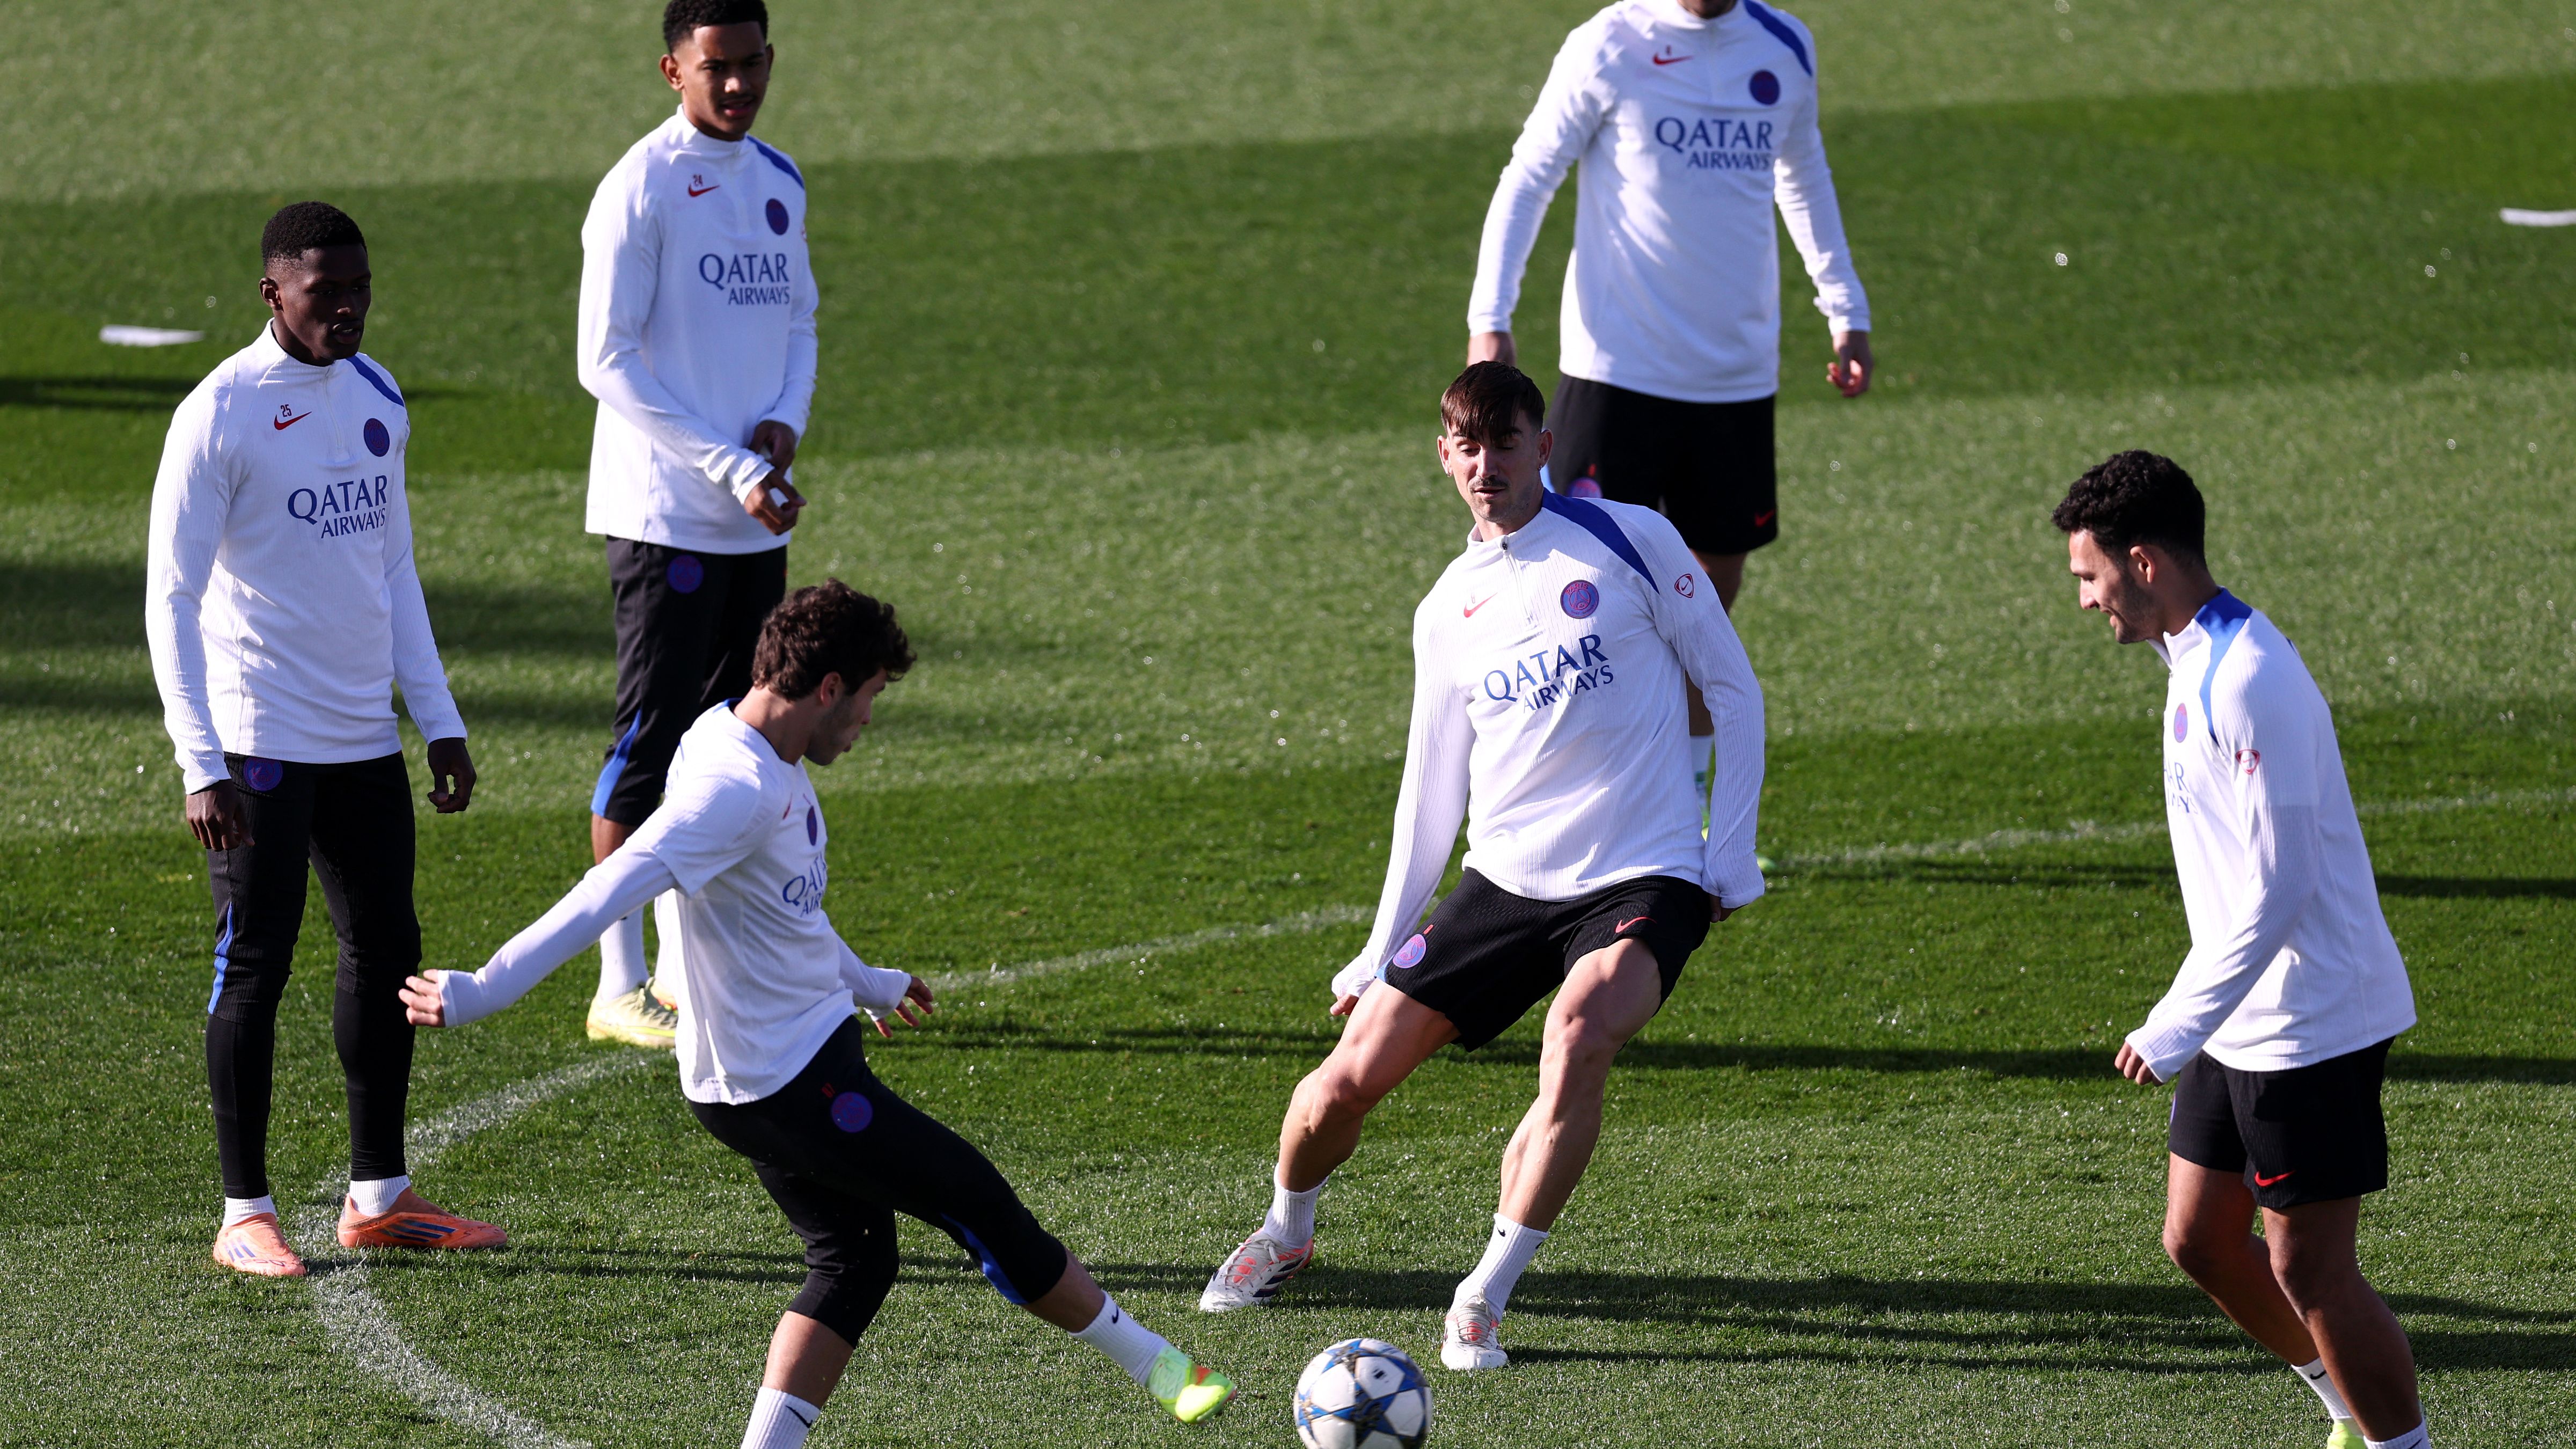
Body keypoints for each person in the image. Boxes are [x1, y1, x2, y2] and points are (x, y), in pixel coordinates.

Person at [399, 583, 1235, 1446]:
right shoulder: (732, 788)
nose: (871, 719)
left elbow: (783, 910)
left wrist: (870, 981)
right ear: (829, 687)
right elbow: (609, 888)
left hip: (775, 1070)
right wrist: (483, 989)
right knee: (974, 1199)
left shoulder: (745, 745)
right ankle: (1164, 1369)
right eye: (871, 695)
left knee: (856, 1261)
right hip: (785, 1083)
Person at [1197, 363, 1765, 1372]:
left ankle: (1483, 1294)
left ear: (1545, 447)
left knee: (1581, 1031)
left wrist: (1726, 858)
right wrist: (1376, 951)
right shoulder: (1446, 608)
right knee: (1338, 1090)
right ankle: (1286, 1233)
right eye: (1466, 446)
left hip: (1646, 873)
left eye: (1505, 442)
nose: (1485, 464)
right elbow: (1430, 795)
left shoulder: (1632, 538)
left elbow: (1733, 686)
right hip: (1505, 883)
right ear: (1444, 458)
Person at [144, 201, 507, 1279]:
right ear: (273, 294)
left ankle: (378, 1194)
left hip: (362, 737)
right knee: (255, 962)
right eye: (322, 292)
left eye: (359, 288)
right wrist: (199, 763)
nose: (345, 308)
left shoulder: (379, 395)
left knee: (387, 950)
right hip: (259, 742)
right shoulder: (221, 413)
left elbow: (392, 569)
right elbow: (170, 595)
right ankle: (243, 1210)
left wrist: (436, 718)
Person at [2054, 452, 2428, 1449]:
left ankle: (2403, 1443)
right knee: (2201, 1240)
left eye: (2090, 577)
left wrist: (2175, 1024)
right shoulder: (2191, 659)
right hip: (2241, 1012)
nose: (2085, 600)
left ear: (2142, 562)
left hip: (2310, 1019)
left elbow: (2281, 885)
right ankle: (2346, 1410)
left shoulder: (2250, 679)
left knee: (2312, 1271)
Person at [1466, 0, 1869, 805]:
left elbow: (1804, 173)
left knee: (1709, 591)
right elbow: (1531, 173)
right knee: (1573, 590)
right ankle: (1569, 790)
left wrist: (1845, 308)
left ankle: (1678, 801)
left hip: (1734, 376)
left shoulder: (1784, 47)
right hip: (1616, 367)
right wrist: (1490, 317)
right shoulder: (1610, 44)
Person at [576, 0, 820, 1048]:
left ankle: (696, 969)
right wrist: (726, 465)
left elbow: (803, 320)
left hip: (754, 522)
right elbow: (605, 360)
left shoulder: (779, 181)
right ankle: (617, 982)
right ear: (670, 68)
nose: (737, 86)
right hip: (665, 515)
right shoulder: (640, 186)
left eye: (752, 64)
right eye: (715, 67)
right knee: (652, 742)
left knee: (736, 744)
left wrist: (786, 421)